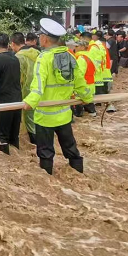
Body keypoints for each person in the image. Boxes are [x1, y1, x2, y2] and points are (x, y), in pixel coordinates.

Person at [23, 19, 92, 175]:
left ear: (45, 39)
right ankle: (79, 176)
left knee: (46, 152)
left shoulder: (44, 58)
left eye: (41, 36)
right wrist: (88, 98)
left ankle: (47, 181)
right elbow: (80, 83)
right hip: (64, 115)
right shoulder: (70, 57)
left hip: (45, 117)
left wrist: (29, 102)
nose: (40, 38)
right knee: (71, 149)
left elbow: (38, 86)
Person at [0, 33, 22, 154]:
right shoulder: (15, 58)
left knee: (1, 138)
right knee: (13, 137)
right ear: (8, 44)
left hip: (2, 103)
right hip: (17, 101)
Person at [12, 32, 40, 145]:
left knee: (29, 119)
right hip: (39, 89)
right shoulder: (38, 52)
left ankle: (35, 144)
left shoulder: (19, 57)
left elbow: (18, 77)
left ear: (13, 44)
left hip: (26, 92)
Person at [71, 37, 98, 118]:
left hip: (83, 85)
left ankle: (79, 114)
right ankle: (92, 113)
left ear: (82, 47)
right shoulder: (90, 56)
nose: (74, 48)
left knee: (79, 103)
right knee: (89, 102)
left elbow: (79, 74)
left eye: (77, 46)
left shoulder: (81, 58)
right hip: (91, 84)